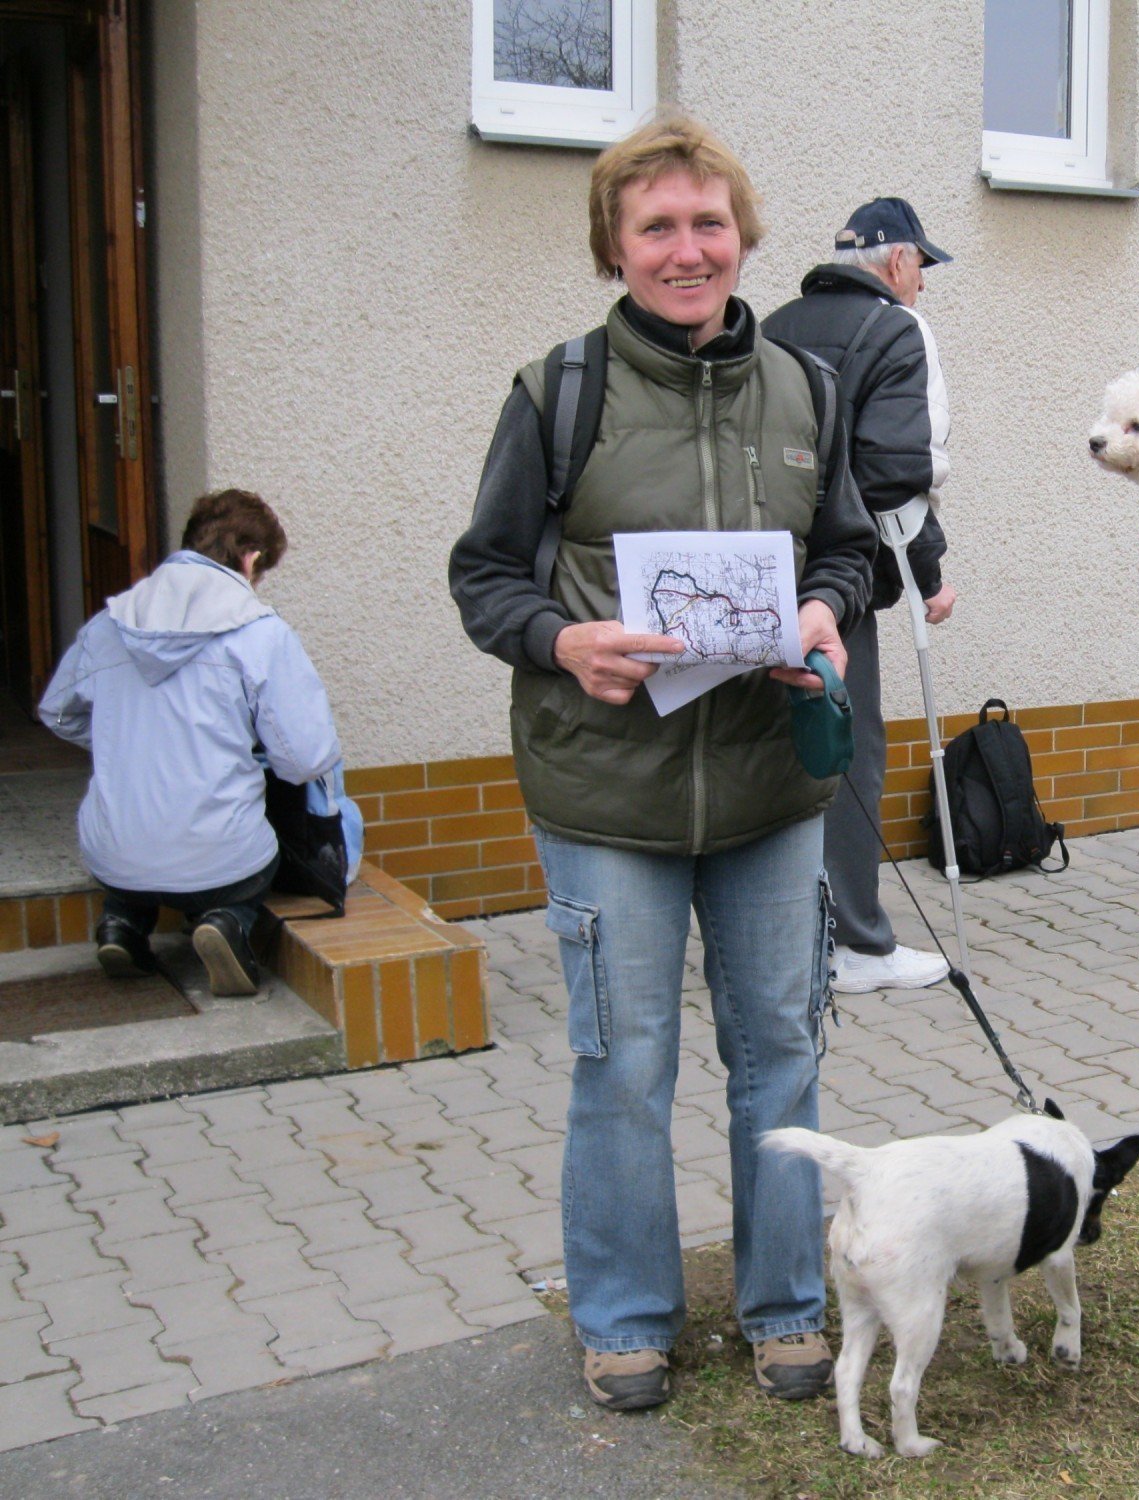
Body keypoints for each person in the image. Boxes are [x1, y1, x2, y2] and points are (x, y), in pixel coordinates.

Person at [447, 116, 875, 1411]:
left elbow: (850, 554)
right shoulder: (557, 393)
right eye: (656, 228)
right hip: (607, 798)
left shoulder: (807, 391)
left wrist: (823, 616)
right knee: (624, 1069)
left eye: (708, 224)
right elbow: (483, 577)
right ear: (614, 248)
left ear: (742, 236)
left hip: (766, 788)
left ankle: (787, 1305)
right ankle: (628, 1319)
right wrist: (563, 637)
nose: (687, 251)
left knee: (781, 1057)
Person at [38, 489, 346, 997]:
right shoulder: (261, 632)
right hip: (222, 859)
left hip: (111, 856)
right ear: (250, 559)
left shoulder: (108, 625)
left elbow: (56, 711)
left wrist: (123, 738)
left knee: (132, 850)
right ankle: (228, 922)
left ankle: (122, 925)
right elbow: (305, 760)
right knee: (253, 852)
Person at [764, 197, 957, 995]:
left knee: (775, 753)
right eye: (923, 270)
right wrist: (931, 569)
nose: (923, 288)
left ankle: (778, 937)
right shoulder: (897, 330)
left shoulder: (771, 323)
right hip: (837, 579)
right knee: (848, 753)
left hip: (761, 569)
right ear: (900, 261)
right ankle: (859, 946)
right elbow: (894, 476)